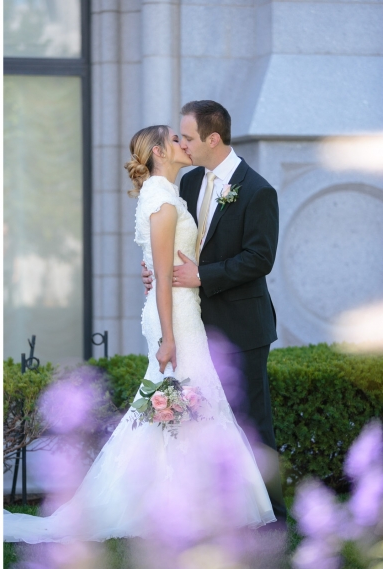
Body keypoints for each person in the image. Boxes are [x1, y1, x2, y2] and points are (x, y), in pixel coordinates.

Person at [3, 125, 276, 543]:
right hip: (176, 318)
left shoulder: (164, 192)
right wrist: (169, 336)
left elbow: (159, 266)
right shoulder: (162, 198)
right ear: (161, 153)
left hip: (181, 310)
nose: (184, 145)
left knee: (178, 405)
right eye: (176, 140)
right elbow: (163, 276)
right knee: (187, 402)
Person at [142, 100, 287, 523]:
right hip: (195, 327)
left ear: (212, 139)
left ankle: (274, 515)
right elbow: (175, 247)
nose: (181, 144)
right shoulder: (187, 185)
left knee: (252, 421)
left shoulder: (258, 190)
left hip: (242, 326)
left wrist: (200, 276)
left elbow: (260, 258)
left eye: (187, 137)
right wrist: (158, 272)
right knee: (202, 419)